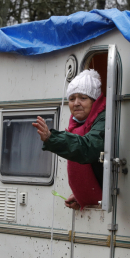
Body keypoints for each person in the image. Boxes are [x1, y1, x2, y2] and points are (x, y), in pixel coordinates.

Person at [32, 69, 105, 209]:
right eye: (72, 99)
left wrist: (51, 137)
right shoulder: (78, 123)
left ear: (94, 101)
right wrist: (81, 196)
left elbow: (88, 148)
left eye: (83, 98)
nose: (76, 103)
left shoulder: (103, 120)